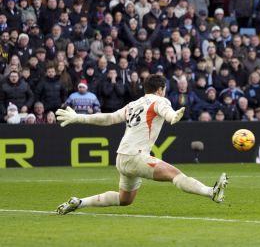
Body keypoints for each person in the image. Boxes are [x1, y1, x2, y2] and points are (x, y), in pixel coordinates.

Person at [55, 74, 228, 215]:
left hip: (122, 157)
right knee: (175, 175)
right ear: (160, 89)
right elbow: (165, 111)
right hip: (136, 156)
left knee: (125, 200)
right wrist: (172, 116)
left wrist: (79, 117)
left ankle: (80, 202)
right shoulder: (160, 101)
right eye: (164, 90)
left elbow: (108, 118)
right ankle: (211, 192)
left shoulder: (133, 104)